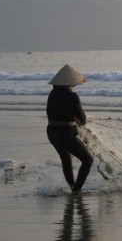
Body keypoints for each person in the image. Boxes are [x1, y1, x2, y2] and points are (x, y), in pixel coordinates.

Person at [46, 64, 93, 192]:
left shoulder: (52, 93)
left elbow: (57, 113)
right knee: (88, 160)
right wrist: (80, 120)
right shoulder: (73, 96)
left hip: (51, 133)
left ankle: (73, 187)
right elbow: (82, 118)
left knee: (66, 159)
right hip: (65, 134)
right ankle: (77, 190)